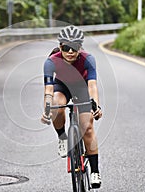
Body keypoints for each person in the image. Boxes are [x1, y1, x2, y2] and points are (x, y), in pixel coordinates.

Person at [41, 25, 102, 188]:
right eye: (66, 47)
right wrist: (47, 109)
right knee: (57, 105)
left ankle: (95, 171)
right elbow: (48, 90)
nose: (70, 51)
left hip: (82, 87)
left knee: (87, 127)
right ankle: (62, 137)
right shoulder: (51, 61)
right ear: (60, 47)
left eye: (74, 48)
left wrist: (95, 105)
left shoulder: (88, 59)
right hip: (62, 86)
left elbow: (92, 86)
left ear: (79, 47)